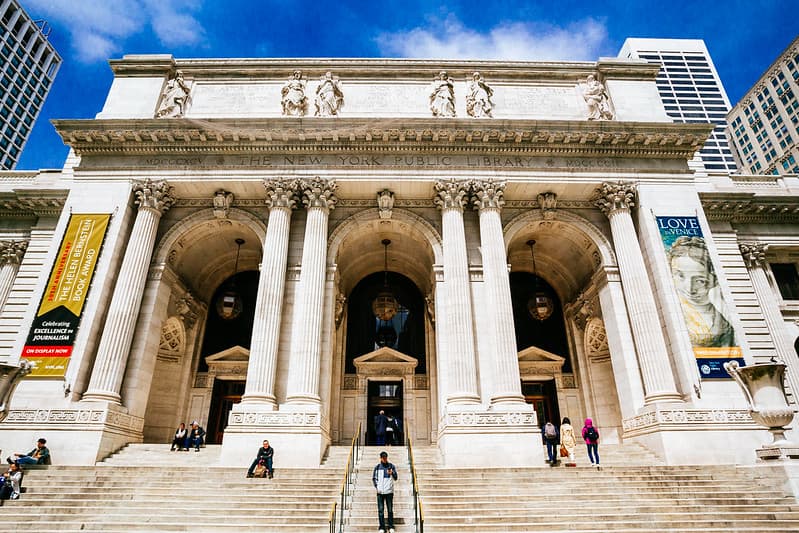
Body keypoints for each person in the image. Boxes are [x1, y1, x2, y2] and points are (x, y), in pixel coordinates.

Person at [668, 236, 735, 348]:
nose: (689, 289)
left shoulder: (725, 324)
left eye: (700, 281)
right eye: (680, 276)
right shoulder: (672, 313)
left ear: (715, 280)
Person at [372, 451, 398, 533]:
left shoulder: (391, 466)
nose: (384, 459)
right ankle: (382, 527)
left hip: (389, 492)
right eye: (383, 457)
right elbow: (374, 478)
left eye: (385, 457)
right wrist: (377, 487)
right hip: (380, 493)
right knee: (381, 510)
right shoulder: (377, 467)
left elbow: (396, 477)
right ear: (380, 458)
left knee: (390, 510)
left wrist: (392, 473)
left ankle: (391, 526)